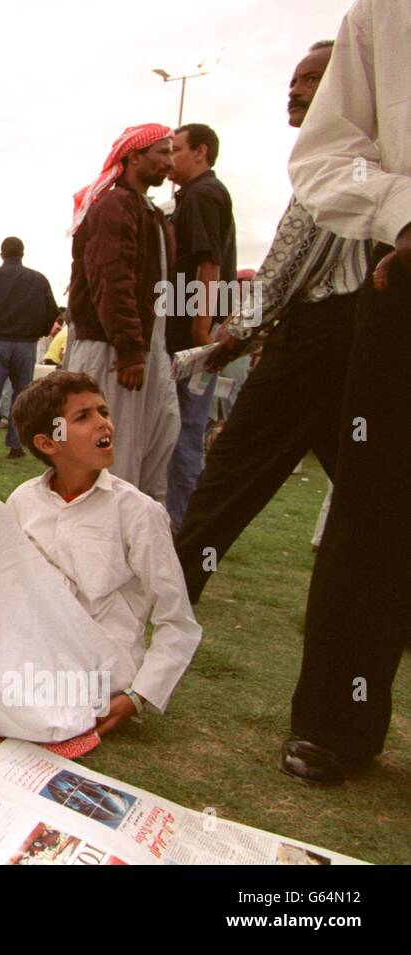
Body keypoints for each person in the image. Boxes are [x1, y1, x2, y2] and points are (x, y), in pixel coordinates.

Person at [175, 41, 369, 610]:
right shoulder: (358, 150)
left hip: (319, 336)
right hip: (346, 337)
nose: (296, 89)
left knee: (231, 473)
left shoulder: (339, 153)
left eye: (312, 79)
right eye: (294, 79)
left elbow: (292, 258)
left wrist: (236, 330)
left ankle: (174, 598)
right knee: (367, 487)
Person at [0, 371, 201, 741]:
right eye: (84, 417)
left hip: (99, 660)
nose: (104, 423)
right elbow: (11, 586)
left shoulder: (138, 512)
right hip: (35, 644)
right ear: (48, 443)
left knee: (34, 720)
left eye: (103, 411)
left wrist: (139, 695)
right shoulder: (24, 500)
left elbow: (177, 620)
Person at [280, 0, 410, 785]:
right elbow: (327, 155)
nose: (294, 94)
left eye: (304, 82)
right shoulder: (383, 15)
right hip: (400, 273)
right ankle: (338, 720)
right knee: (375, 500)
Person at [64, 124, 179, 499]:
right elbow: (112, 281)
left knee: (150, 446)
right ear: (134, 157)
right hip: (112, 351)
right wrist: (129, 350)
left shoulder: (149, 212)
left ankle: (129, 539)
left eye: (173, 152)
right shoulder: (115, 206)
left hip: (141, 349)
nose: (170, 162)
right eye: (163, 152)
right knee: (110, 453)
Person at [163, 123, 237, 530]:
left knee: (185, 432)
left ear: (200, 152)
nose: (168, 158)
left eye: (175, 149)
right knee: (181, 430)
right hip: (186, 330)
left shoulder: (202, 195)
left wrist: (199, 332)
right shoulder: (195, 195)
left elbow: (208, 265)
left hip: (188, 337)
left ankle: (182, 525)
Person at [0, 237, 59, 459]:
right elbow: (51, 311)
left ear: (2, 254)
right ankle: (16, 445)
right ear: (22, 253)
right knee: (22, 397)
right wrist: (38, 332)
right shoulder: (38, 279)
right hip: (26, 344)